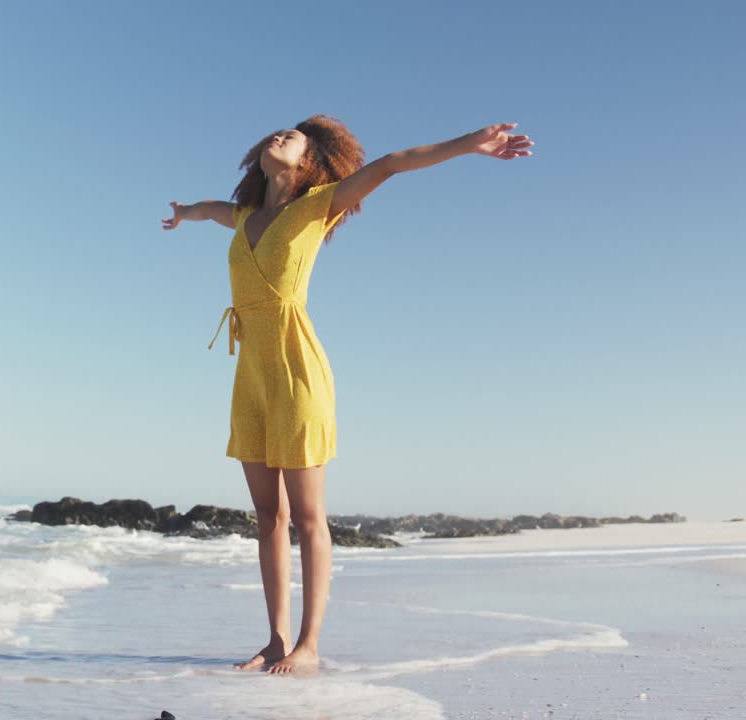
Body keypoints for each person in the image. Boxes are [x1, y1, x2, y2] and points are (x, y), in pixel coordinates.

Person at [160, 116, 533, 674]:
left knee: (308, 517)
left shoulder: (317, 206)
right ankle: (276, 640)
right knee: (267, 516)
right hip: (251, 375)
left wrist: (468, 145)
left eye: (292, 137)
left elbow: (391, 164)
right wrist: (185, 213)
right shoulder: (243, 219)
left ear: (310, 162)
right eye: (274, 134)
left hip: (297, 367)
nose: (276, 137)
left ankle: (310, 645)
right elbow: (210, 208)